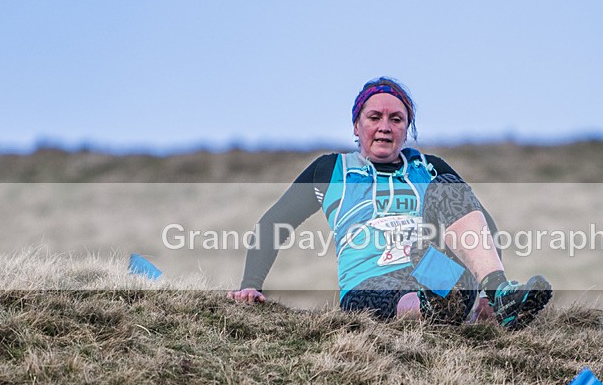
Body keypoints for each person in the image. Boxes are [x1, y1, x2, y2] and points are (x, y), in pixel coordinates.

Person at [228, 77, 552, 329]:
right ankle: (436, 310)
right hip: (369, 283)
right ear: (357, 126)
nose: (385, 126)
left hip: (430, 268)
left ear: (406, 129)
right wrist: (250, 286)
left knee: (448, 191)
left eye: (396, 119)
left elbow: (480, 225)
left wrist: (485, 295)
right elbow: (274, 223)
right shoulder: (331, 170)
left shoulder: (428, 167)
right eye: (375, 117)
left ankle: (498, 297)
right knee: (396, 296)